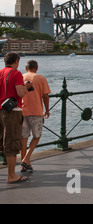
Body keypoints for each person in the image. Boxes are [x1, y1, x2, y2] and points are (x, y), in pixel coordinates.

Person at [0, 52, 33, 183]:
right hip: (12, 111)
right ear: (16, 62)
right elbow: (20, 92)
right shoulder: (16, 73)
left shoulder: (1, 72)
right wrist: (27, 87)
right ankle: (11, 175)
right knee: (11, 143)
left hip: (0, 110)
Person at [20, 60, 51, 172]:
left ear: (26, 68)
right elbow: (45, 96)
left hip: (22, 111)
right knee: (37, 136)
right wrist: (47, 109)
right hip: (36, 110)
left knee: (24, 138)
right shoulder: (41, 78)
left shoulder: (21, 77)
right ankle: (26, 159)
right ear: (36, 68)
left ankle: (24, 164)